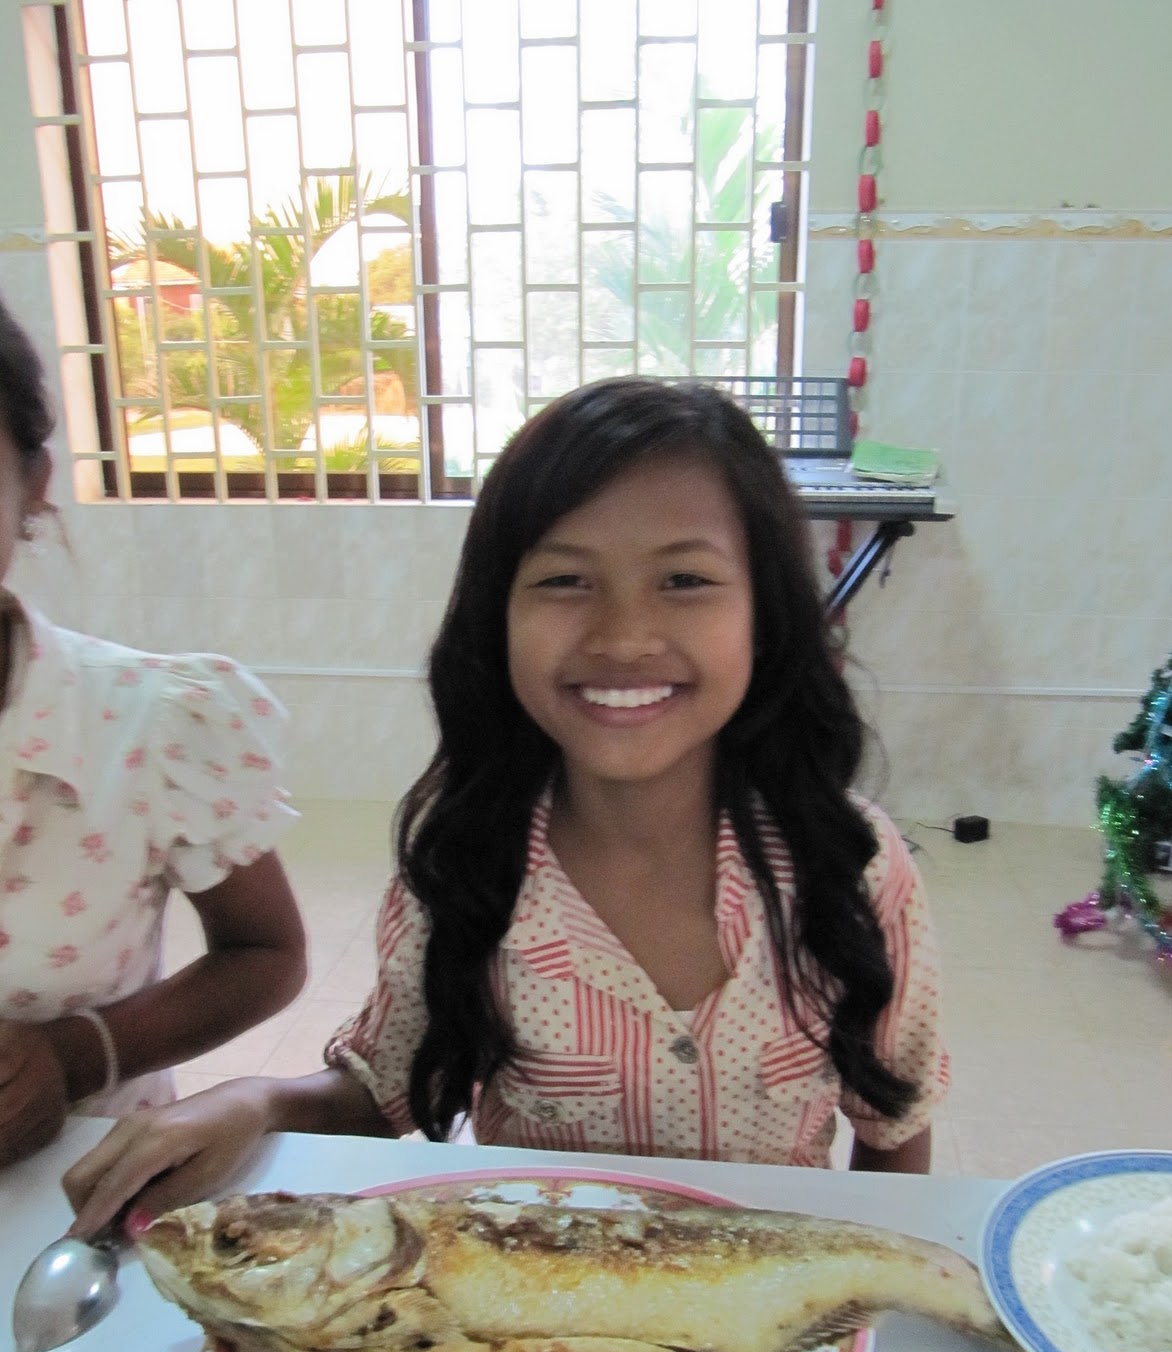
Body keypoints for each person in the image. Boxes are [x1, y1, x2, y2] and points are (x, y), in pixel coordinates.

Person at [65, 376, 949, 1239]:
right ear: (497, 616)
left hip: (773, 1312)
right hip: (535, 1309)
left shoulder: (852, 867)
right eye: (565, 580)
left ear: (766, 614)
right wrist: (251, 1102)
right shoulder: (467, 865)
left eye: (684, 579)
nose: (624, 637)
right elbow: (384, 1091)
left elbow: (895, 1123)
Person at [0, 294, 307, 1178]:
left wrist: (74, 1058)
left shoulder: (150, 723)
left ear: (32, 487)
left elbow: (265, 953)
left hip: (72, 1202)